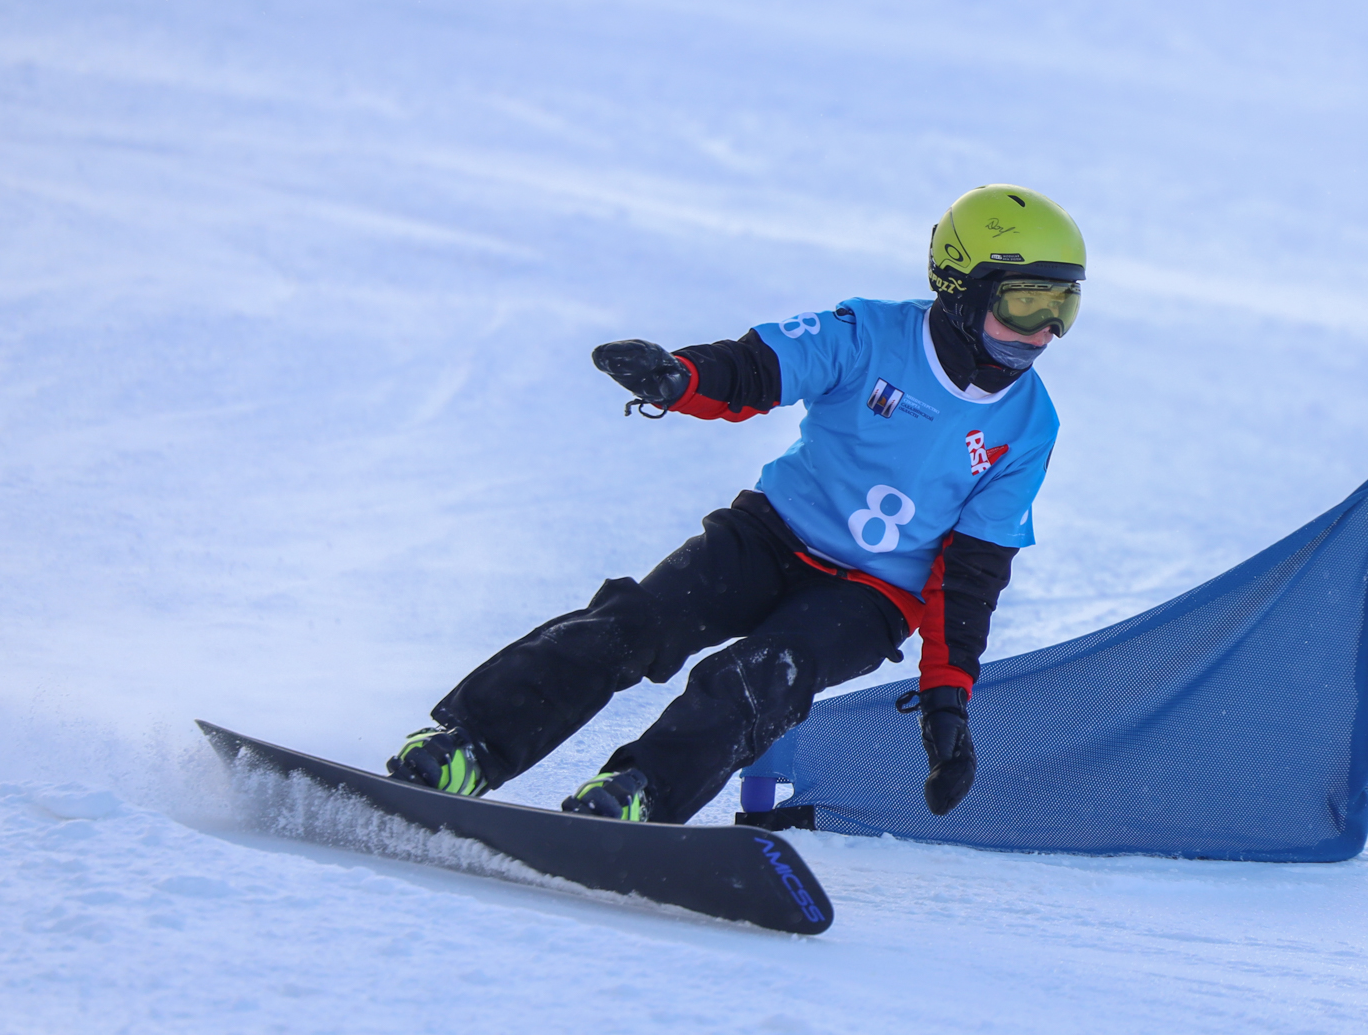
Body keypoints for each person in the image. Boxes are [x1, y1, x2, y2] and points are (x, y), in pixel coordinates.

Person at [386, 184, 1086, 824]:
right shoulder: (868, 335)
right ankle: (469, 747)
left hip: (873, 597)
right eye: (1025, 303)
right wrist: (680, 378)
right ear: (961, 286)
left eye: (1063, 307)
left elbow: (972, 575)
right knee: (636, 622)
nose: (1044, 331)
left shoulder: (1029, 427)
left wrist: (946, 702)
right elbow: (758, 368)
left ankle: (640, 795)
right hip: (769, 537)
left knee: (761, 676)